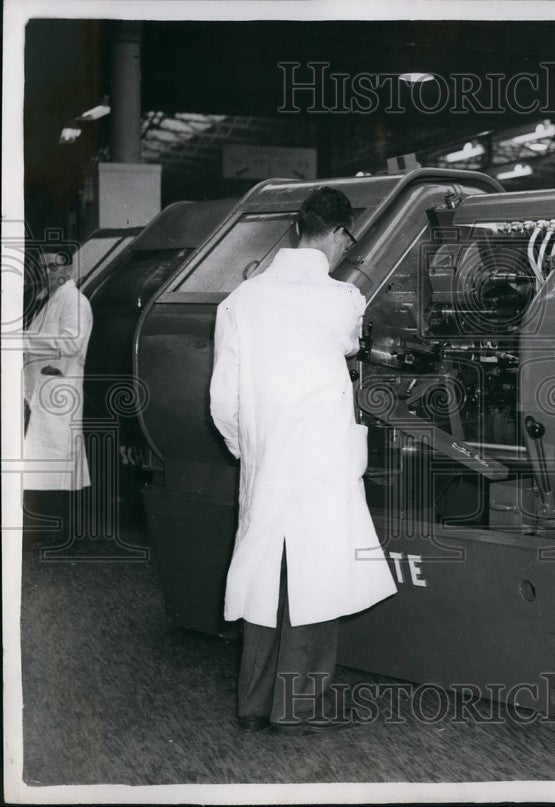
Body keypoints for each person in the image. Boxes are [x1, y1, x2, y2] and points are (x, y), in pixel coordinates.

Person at [209, 187, 396, 734]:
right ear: (339, 235)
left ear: (297, 228)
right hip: (320, 461)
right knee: (318, 576)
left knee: (265, 575)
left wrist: (251, 450)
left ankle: (253, 701)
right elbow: (345, 347)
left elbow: (222, 399)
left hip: (265, 459)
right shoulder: (343, 300)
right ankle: (299, 708)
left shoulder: (241, 300)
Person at [22, 251, 93, 552]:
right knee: (48, 464)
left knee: (59, 463)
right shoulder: (51, 300)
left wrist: (24, 339)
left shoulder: (75, 301)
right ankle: (56, 533)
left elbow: (73, 342)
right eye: (44, 267)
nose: (48, 272)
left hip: (59, 391)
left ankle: (65, 536)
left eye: (54, 266)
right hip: (45, 393)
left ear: (69, 267)